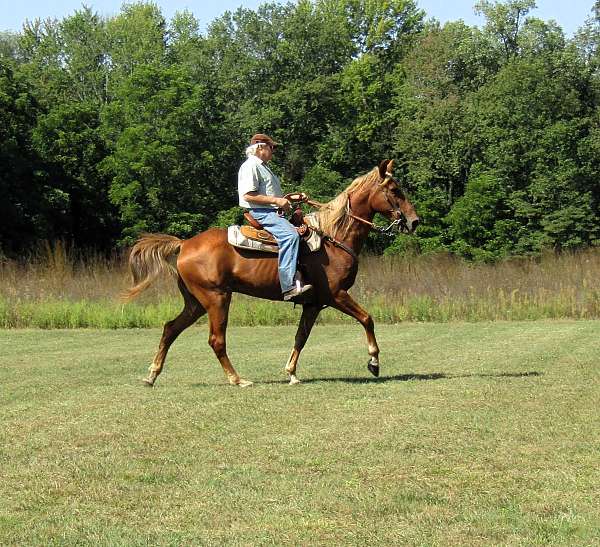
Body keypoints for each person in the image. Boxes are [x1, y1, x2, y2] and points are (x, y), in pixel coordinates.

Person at [238, 133, 312, 301]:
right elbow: (248, 195)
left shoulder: (264, 167)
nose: (273, 151)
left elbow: (268, 194)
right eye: (271, 147)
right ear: (260, 147)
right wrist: (277, 201)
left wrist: (288, 199)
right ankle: (288, 286)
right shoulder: (251, 166)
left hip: (270, 211)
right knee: (290, 235)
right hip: (262, 213)